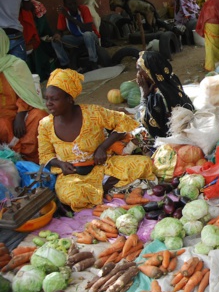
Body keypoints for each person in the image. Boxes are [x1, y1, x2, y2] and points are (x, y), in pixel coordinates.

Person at [38, 69, 155, 211]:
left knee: (144, 163)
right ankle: (108, 188)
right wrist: (61, 164)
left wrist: (102, 147)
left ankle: (102, 189)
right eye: (47, 98)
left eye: (54, 99)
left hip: (103, 166)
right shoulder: (45, 125)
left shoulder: (92, 113)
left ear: (69, 99)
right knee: (71, 196)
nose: (48, 103)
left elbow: (123, 122)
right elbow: (45, 156)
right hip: (73, 176)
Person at [0, 29, 47, 163]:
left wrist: (20, 115)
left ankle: (35, 160)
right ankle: (16, 160)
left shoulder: (16, 65)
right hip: (2, 118)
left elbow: (27, 94)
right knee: (2, 125)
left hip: (22, 113)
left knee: (40, 116)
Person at [136, 51, 194, 139]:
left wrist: (143, 95)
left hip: (170, 136)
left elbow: (144, 122)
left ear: (149, 71)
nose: (138, 74)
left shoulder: (157, 97)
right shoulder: (172, 78)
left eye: (139, 69)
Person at [51, 0, 101, 70]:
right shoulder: (63, 14)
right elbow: (60, 29)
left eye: (75, 3)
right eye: (70, 4)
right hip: (76, 38)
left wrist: (69, 17)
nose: (73, 6)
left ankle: (93, 62)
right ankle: (66, 65)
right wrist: (58, 35)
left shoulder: (84, 9)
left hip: (91, 37)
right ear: (65, 6)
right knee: (54, 41)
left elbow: (88, 28)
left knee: (87, 34)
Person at [195, 0, 219, 72]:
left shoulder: (209, 2)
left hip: (207, 24)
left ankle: (210, 65)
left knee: (210, 46)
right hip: (217, 24)